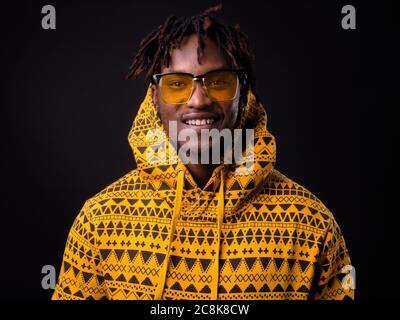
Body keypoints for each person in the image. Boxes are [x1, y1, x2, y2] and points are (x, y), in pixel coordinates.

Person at [52, 5, 354, 300]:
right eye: (177, 84)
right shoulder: (100, 221)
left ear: (243, 92)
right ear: (155, 97)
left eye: (219, 82)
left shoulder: (310, 224)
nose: (198, 100)